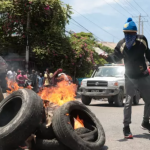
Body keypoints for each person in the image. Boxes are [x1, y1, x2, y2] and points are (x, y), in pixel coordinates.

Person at [99, 17, 150, 139]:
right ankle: (126, 127)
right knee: (128, 102)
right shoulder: (121, 44)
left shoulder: (142, 40)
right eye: (126, 34)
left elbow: (148, 54)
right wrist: (105, 57)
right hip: (129, 77)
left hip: (143, 75)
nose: (128, 37)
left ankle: (145, 122)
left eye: (131, 34)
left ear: (135, 33)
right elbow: (115, 57)